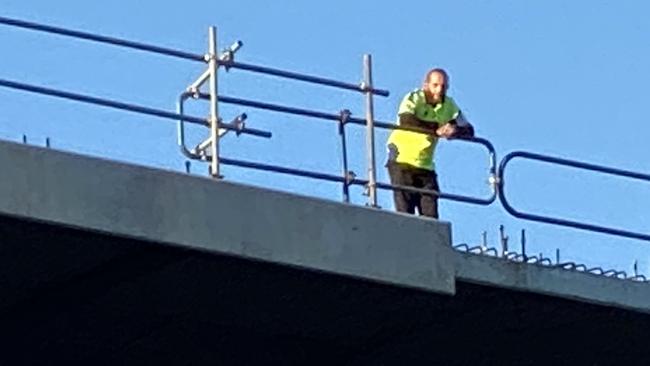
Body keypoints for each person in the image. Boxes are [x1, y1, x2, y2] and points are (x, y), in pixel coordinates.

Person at [386, 68, 474, 219]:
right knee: (405, 216)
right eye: (435, 85)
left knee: (431, 218)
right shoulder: (414, 98)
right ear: (426, 85)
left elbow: (469, 130)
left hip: (425, 165)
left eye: (443, 86)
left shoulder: (449, 105)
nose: (439, 90)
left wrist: (454, 130)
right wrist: (436, 129)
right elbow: (406, 120)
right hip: (401, 161)